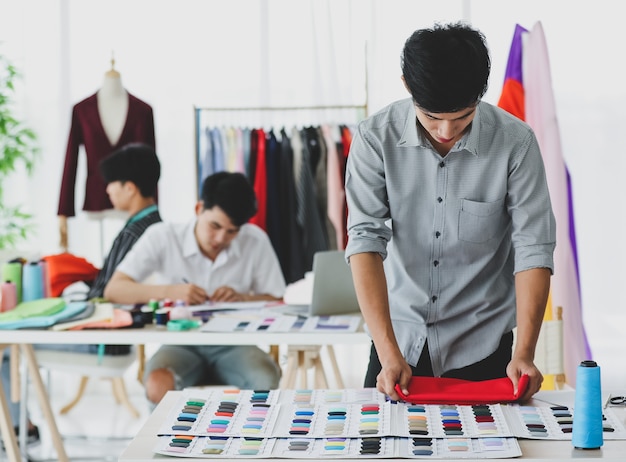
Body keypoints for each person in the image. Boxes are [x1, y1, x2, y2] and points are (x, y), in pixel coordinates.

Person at [344, 22, 556, 403]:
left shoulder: (516, 142)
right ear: (408, 85)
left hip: (485, 347)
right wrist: (388, 352)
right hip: (397, 345)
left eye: (462, 118)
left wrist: (524, 352)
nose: (446, 131)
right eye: (432, 118)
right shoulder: (374, 138)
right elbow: (364, 241)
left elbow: (533, 248)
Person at [1, 142, 161, 443]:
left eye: (112, 184)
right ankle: (20, 427)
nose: (108, 192)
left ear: (130, 188)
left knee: (6, 345)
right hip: (108, 332)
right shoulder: (149, 225)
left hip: (103, 339)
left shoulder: (137, 232)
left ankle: (19, 431)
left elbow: (108, 293)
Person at [104, 171, 284, 405]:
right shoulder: (163, 236)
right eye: (215, 226)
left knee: (265, 379)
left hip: (235, 343)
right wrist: (171, 292)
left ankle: (252, 441)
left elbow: (277, 298)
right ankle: (167, 443)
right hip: (179, 342)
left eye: (232, 231)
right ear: (198, 209)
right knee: (158, 383)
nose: (220, 238)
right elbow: (114, 289)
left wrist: (244, 298)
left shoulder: (255, 240)